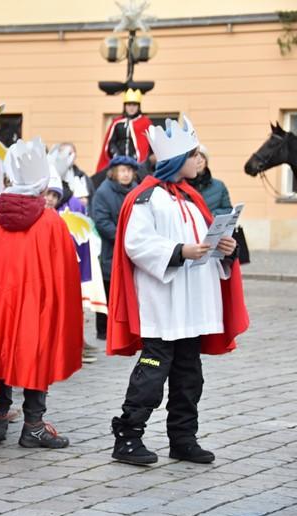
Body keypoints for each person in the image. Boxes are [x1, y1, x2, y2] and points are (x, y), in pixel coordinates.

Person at [108, 116, 248, 466]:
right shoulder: (147, 198)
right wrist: (180, 251)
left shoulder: (190, 198)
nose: (197, 160)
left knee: (189, 377)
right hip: (162, 302)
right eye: (192, 154)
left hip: (192, 305)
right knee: (152, 372)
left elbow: (204, 246)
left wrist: (223, 249)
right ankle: (128, 436)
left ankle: (183, 438)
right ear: (176, 159)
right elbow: (136, 244)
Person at [0, 137, 82, 448]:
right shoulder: (50, 221)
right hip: (36, 305)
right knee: (36, 355)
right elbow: (62, 273)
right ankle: (33, 425)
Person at [92, 156, 139, 341]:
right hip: (109, 248)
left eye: (129, 170)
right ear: (113, 172)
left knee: (126, 289)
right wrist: (122, 237)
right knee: (107, 288)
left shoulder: (136, 190)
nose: (126, 174)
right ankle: (103, 330)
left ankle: (124, 328)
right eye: (122, 170)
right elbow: (102, 221)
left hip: (131, 247)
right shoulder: (104, 192)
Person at [95, 89, 153, 173]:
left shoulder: (146, 122)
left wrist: (136, 158)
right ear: (125, 106)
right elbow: (111, 142)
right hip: (118, 162)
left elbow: (149, 146)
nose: (131, 108)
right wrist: (117, 156)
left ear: (138, 107)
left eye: (134, 105)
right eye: (129, 105)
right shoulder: (117, 123)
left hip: (138, 164)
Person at [186, 145, 232, 216]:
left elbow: (228, 210)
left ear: (206, 162)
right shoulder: (180, 187)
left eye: (202, 157)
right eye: (194, 157)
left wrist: (212, 216)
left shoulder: (219, 186)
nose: (199, 161)